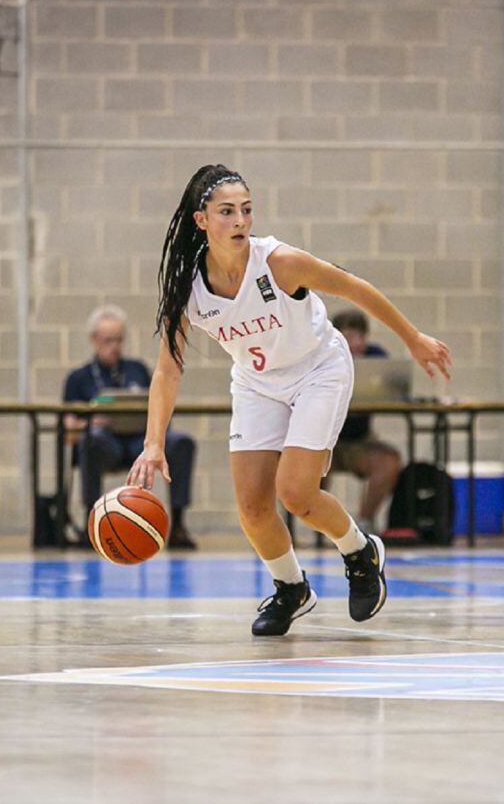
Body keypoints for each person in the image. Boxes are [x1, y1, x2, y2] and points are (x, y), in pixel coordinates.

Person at [127, 164, 451, 636]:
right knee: (252, 507)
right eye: (227, 212)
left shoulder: (278, 262)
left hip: (318, 369)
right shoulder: (187, 287)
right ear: (202, 221)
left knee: (295, 493)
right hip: (258, 383)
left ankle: (360, 553)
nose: (240, 221)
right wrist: (153, 442)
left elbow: (354, 287)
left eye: (246, 210)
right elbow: (168, 368)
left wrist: (413, 337)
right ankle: (291, 588)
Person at [63, 304, 198, 549]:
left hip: (139, 441)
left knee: (181, 442)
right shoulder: (78, 378)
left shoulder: (137, 369)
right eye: (107, 340)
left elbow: (158, 405)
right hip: (106, 444)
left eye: (118, 339)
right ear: (94, 340)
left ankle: (178, 525)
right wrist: (90, 422)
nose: (114, 346)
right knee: (90, 442)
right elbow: (68, 428)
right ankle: (89, 524)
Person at [327, 309, 403, 534]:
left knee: (389, 460)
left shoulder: (375, 357)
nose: (357, 343)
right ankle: (320, 527)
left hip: (359, 442)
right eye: (350, 337)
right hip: (325, 441)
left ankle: (364, 523)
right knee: (304, 465)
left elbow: (393, 389)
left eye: (361, 337)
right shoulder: (324, 358)